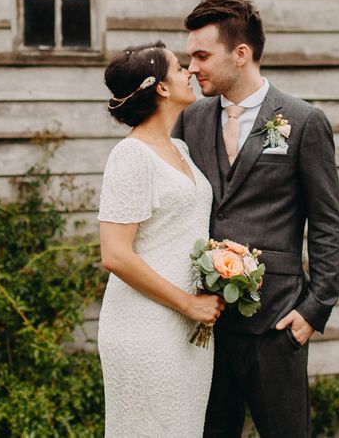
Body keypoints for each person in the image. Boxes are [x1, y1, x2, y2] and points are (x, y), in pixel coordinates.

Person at [173, 0, 339, 437]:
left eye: (201, 55)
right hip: (207, 328)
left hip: (277, 323)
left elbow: (328, 222)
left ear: (241, 53)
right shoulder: (190, 120)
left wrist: (314, 310)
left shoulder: (303, 121)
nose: (192, 68)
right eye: (189, 57)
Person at [97, 41, 225, 437]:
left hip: (189, 330)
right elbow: (115, 255)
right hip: (145, 326)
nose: (189, 71)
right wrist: (188, 303)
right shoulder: (131, 155)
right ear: (162, 88)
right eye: (179, 67)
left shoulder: (181, 149)